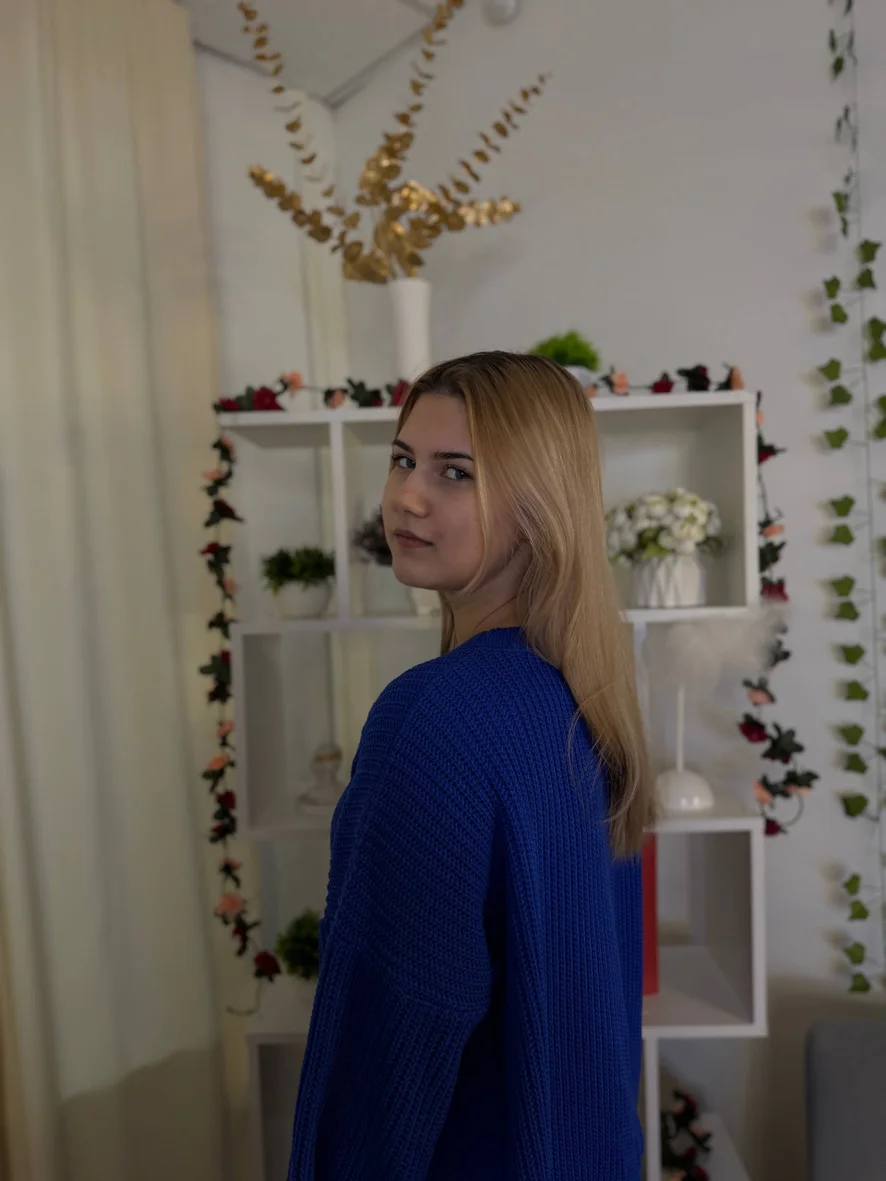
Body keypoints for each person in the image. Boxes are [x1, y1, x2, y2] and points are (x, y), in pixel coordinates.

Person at [286, 350, 656, 1180]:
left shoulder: (436, 717)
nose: (406, 497)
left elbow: (382, 1058)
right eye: (403, 459)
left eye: (455, 472)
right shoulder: (586, 699)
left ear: (539, 503)